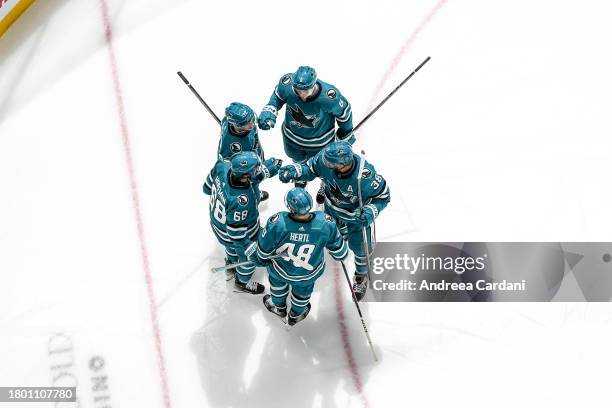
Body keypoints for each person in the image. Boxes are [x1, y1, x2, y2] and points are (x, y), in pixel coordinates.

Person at [277, 141, 390, 301]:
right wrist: (296, 171)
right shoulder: (326, 159)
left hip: (356, 219)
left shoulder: (365, 177)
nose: (326, 164)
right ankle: (342, 233)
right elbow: (310, 168)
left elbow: (383, 196)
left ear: (344, 164)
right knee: (336, 234)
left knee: (361, 250)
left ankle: (361, 275)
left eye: (330, 163)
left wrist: (371, 211)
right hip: (331, 211)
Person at [251, 188, 348, 325]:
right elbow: (341, 253)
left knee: (277, 285)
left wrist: (260, 258)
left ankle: (279, 307)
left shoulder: (278, 223)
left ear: (290, 207)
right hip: (308, 274)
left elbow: (262, 253)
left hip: (280, 270)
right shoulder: (326, 222)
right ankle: (296, 313)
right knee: (303, 292)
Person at [257, 66, 354, 203]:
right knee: (297, 160)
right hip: (291, 139)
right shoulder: (287, 84)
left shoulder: (329, 97)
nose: (301, 94)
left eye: (305, 90)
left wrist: (346, 132)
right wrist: (270, 110)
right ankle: (301, 176)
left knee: (325, 166)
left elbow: (344, 113)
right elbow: (278, 96)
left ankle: (324, 183)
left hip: (320, 143)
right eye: (298, 90)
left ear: (314, 85)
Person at [203, 151, 282, 294]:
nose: (257, 171)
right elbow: (237, 235)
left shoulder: (223, 166)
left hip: (218, 226)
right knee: (247, 260)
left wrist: (265, 171)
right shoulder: (241, 201)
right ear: (245, 176)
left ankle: (231, 264)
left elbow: (206, 188)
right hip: (237, 234)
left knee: (230, 248)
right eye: (255, 170)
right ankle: (241, 283)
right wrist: (252, 251)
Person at [217, 102, 269, 201]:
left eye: (252, 120)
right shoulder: (230, 143)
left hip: (254, 153)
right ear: (237, 125)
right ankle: (254, 198)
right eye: (248, 123)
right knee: (252, 184)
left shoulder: (246, 120)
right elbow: (226, 162)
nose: (252, 124)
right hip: (245, 165)